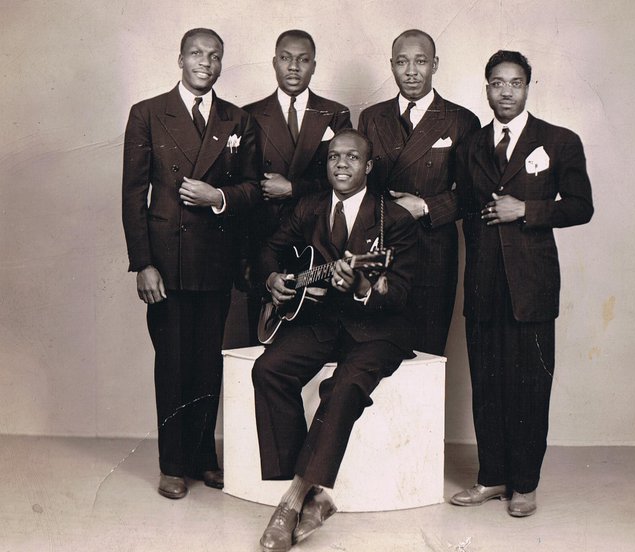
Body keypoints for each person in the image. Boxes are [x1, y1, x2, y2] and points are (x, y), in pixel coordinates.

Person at [252, 129, 417, 551]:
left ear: (369, 166)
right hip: (321, 322)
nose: (341, 164)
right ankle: (316, 495)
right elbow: (269, 250)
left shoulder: (393, 219)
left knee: (343, 387)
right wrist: (273, 278)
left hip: (377, 332)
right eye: (333, 157)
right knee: (268, 370)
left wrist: (362, 284)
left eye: (352, 157)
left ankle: (292, 500)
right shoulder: (308, 207)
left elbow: (399, 294)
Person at [451, 50, 594, 516]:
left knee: (530, 386)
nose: (505, 91)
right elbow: (462, 204)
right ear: (486, 87)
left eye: (515, 83)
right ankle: (492, 477)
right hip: (482, 281)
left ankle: (525, 484)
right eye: (496, 83)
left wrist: (526, 210)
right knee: (486, 383)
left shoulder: (558, 140)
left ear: (528, 87)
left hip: (531, 285)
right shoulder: (471, 144)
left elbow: (580, 206)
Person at [121, 28, 260, 499]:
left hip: (216, 262)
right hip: (167, 262)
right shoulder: (147, 114)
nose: (206, 62)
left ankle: (204, 456)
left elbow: (252, 190)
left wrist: (217, 196)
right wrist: (143, 263)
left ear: (223, 63)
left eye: (215, 56)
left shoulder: (238, 118)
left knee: (208, 363)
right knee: (173, 363)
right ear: (179, 58)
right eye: (197, 54)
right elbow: (133, 194)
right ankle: (173, 463)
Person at [358, 29, 480, 356]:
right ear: (392, 66)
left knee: (426, 356)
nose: (411, 71)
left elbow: (473, 195)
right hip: (379, 252)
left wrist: (425, 206)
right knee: (373, 358)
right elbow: (359, 186)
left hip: (432, 253)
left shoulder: (462, 120)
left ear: (435, 64)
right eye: (402, 62)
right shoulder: (371, 117)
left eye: (421, 61)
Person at [241, 30, 352, 343]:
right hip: (266, 246)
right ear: (274, 63)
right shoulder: (250, 114)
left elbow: (345, 180)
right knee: (264, 343)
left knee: (316, 344)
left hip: (317, 244)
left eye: (303, 60)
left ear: (314, 66)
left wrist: (292, 188)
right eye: (286, 59)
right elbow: (245, 186)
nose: (293, 67)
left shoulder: (335, 113)